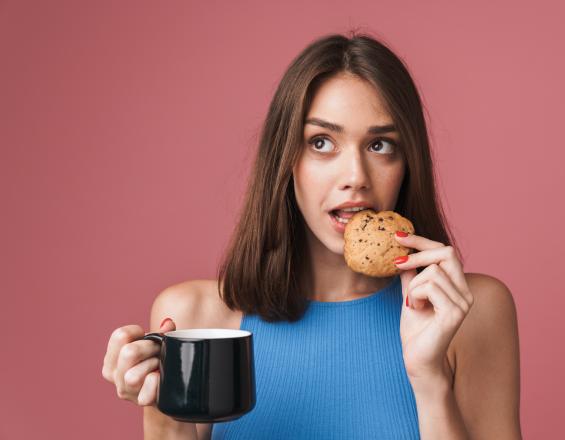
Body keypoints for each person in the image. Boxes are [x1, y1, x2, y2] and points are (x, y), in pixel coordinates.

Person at [101, 32, 522, 440]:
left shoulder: (471, 314)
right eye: (321, 142)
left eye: (380, 145)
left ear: (407, 162)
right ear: (286, 161)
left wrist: (429, 380)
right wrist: (160, 408)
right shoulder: (193, 318)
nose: (355, 177)